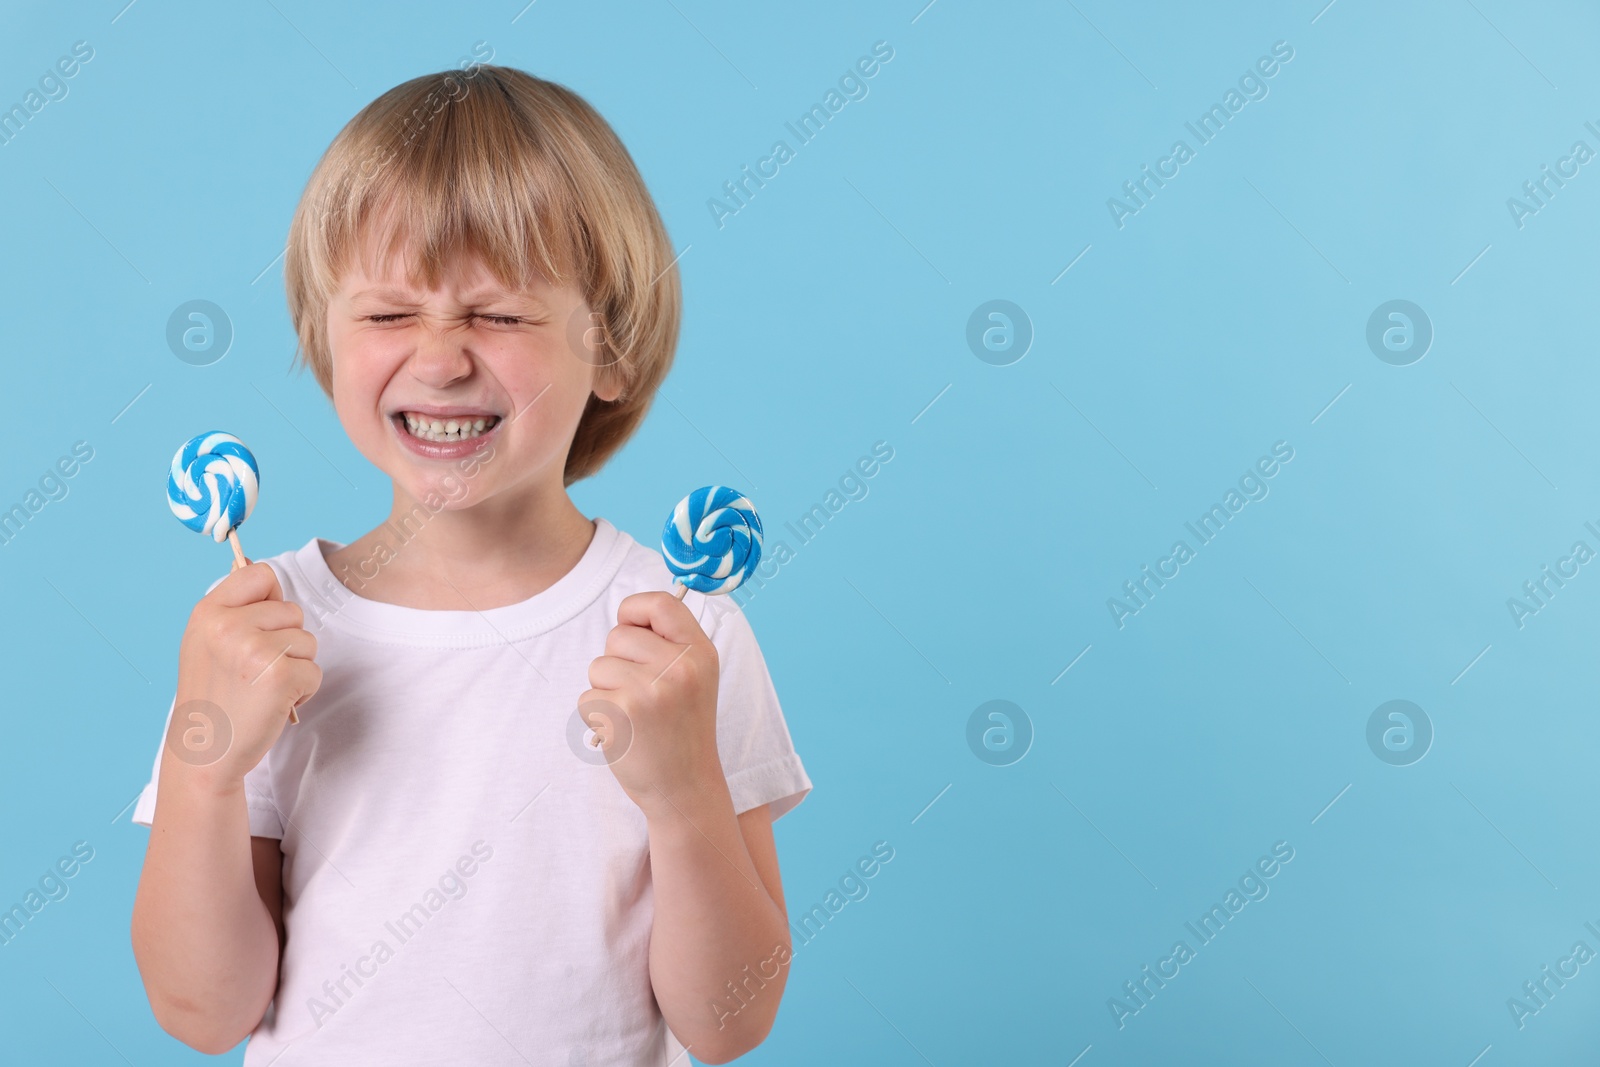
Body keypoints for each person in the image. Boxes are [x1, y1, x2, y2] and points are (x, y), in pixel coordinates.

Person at [129, 62, 810, 1066]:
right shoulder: (260, 628)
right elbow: (203, 1010)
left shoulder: (679, 633)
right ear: (327, 339)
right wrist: (204, 763)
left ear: (611, 346)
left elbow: (728, 1022)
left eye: (499, 315)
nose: (441, 357)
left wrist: (683, 796)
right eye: (387, 313)